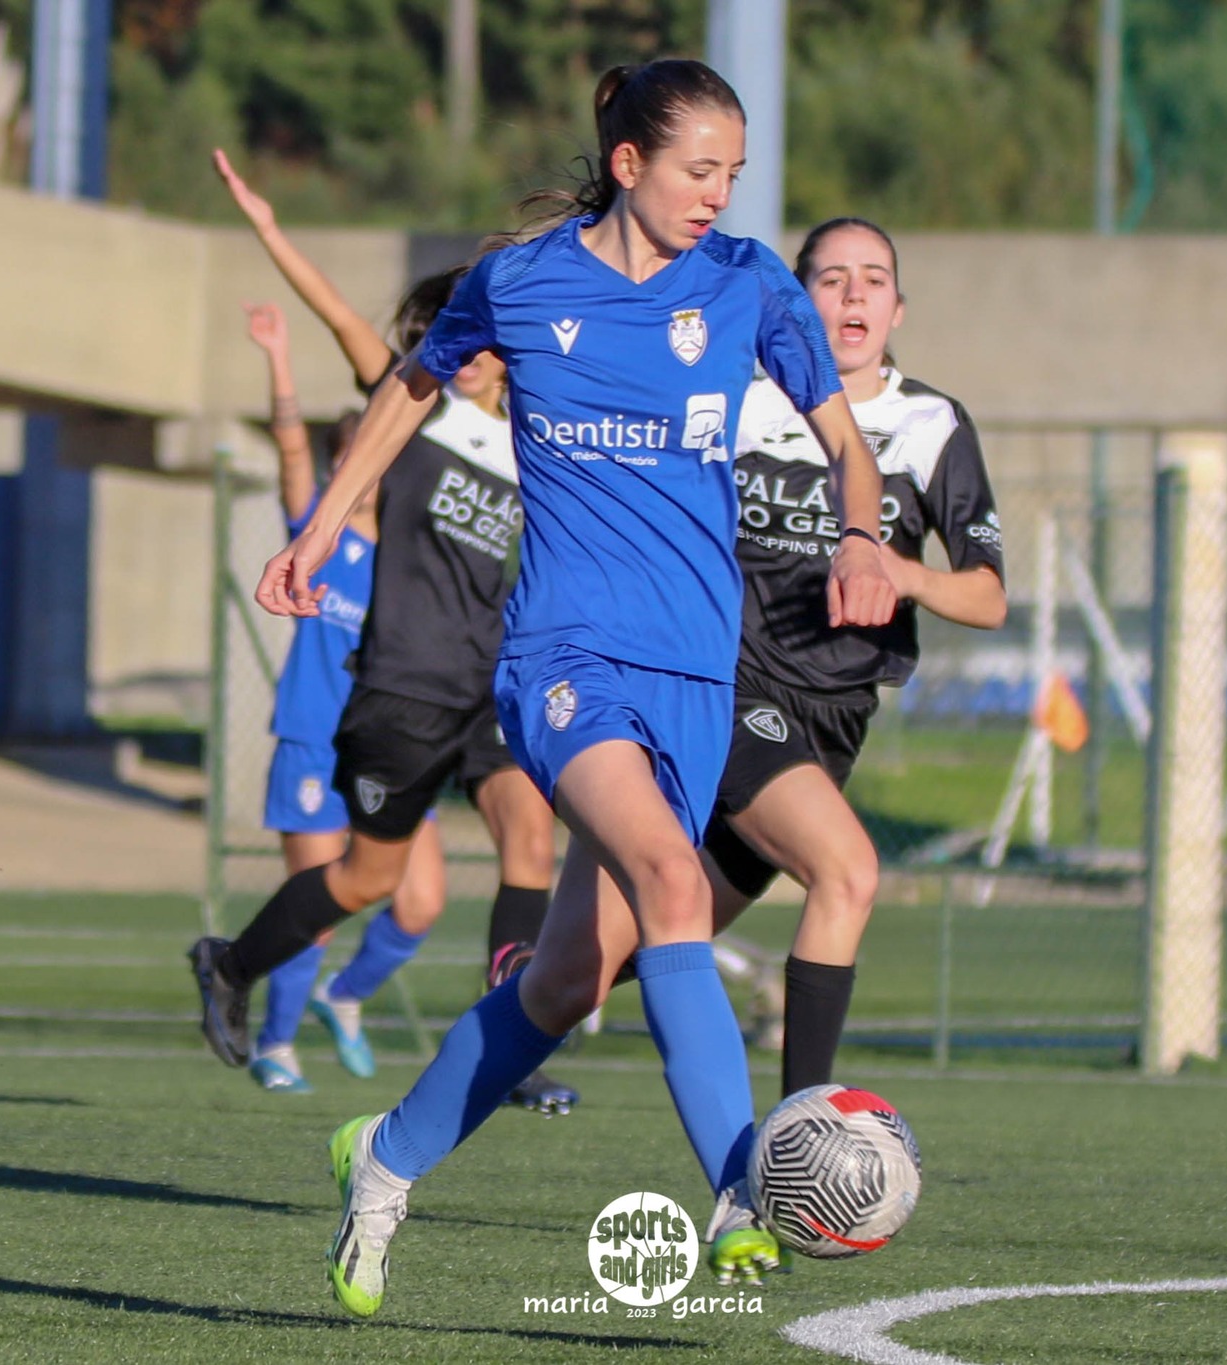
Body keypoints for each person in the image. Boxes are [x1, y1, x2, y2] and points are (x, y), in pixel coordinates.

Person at [243, 57, 896, 1317]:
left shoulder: (749, 285)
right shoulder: (523, 281)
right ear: (629, 164)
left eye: (735, 174)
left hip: (695, 674)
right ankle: (742, 1191)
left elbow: (844, 447)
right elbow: (408, 386)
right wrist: (324, 527)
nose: (720, 194)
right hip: (562, 661)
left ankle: (381, 1162)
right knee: (668, 880)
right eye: (699, 170)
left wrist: (861, 537)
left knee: (562, 983)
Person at [195, 151, 575, 1113]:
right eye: (477, 333)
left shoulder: (533, 440)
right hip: (405, 684)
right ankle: (233, 962)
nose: (493, 348)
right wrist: (270, 227)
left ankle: (509, 1046)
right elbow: (340, 321)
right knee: (367, 878)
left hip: (490, 686)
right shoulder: (419, 411)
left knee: (530, 840)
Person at [697, 216, 1007, 1096]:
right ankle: (800, 1132)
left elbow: (987, 596)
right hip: (729, 686)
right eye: (831, 278)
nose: (854, 292)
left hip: (833, 722)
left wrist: (897, 570)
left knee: (611, 955)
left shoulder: (931, 424)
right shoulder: (742, 397)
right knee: (848, 870)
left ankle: (394, 1129)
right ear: (797, 305)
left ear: (898, 309)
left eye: (873, 278)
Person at [240, 300, 447, 1095]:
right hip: (312, 739)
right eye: (347, 452)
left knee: (421, 901)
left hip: (392, 741)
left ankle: (344, 997)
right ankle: (276, 1043)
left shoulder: (411, 552)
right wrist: (279, 355)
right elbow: (290, 444)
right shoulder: (317, 535)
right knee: (318, 906)